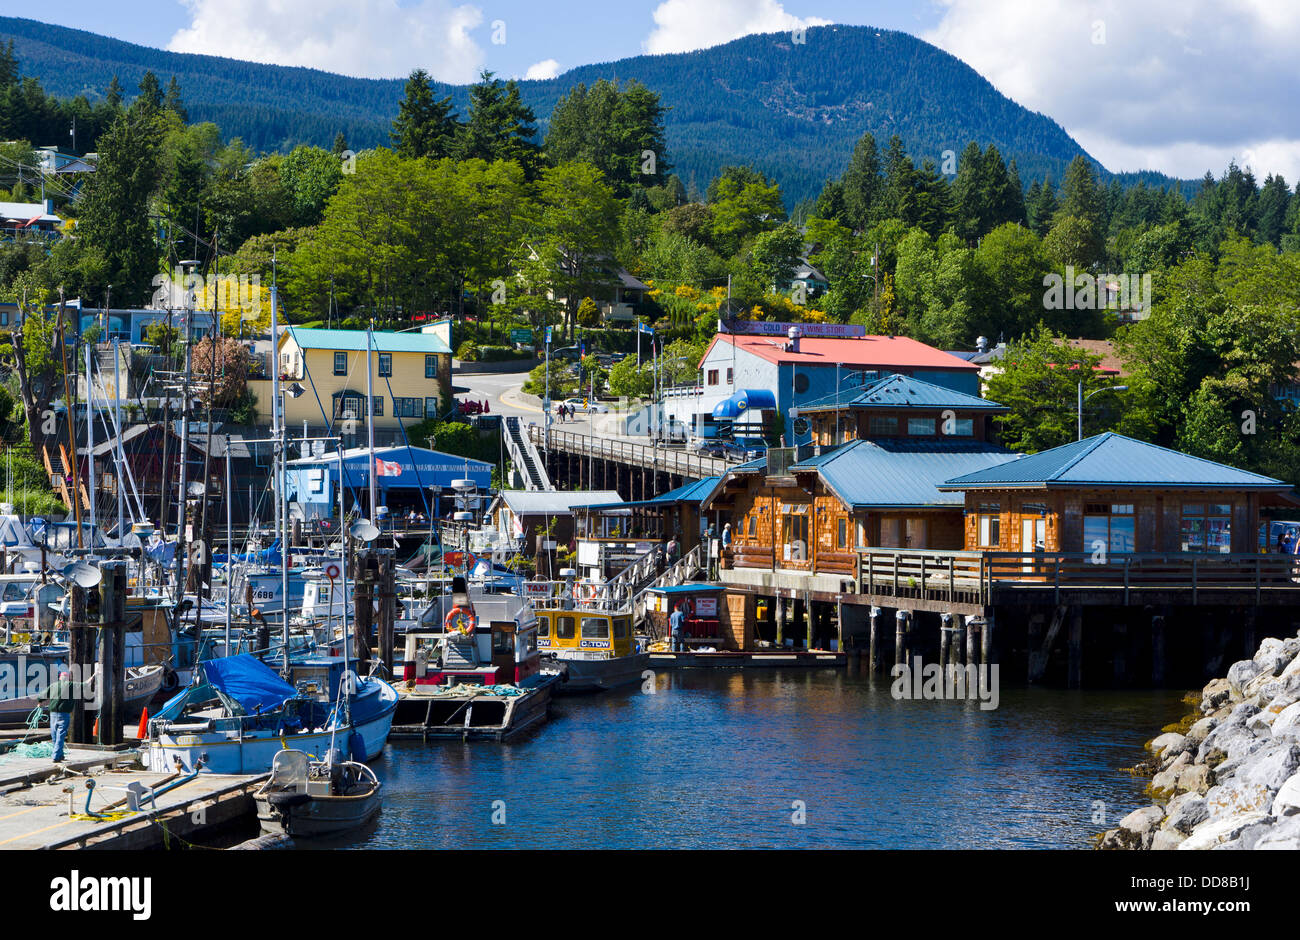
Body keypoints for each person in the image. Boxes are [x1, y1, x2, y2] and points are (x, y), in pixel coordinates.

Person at [38, 670, 79, 763]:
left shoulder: (53, 685)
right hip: (64, 714)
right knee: (61, 734)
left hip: (53, 713)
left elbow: (42, 695)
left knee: (54, 734)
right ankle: (56, 756)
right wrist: (94, 676)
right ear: (68, 678)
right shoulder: (71, 685)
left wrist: (40, 702)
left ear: (60, 678)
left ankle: (60, 755)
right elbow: (85, 684)